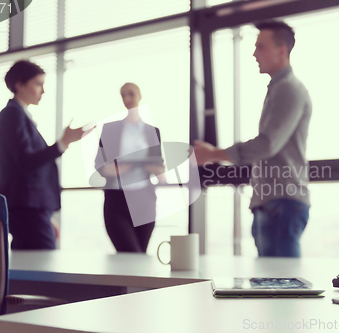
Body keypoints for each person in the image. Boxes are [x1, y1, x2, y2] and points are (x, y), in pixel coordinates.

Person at [194, 20, 312, 257]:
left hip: (281, 203)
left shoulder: (288, 88)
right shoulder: (278, 88)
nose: (254, 53)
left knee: (280, 288)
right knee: (272, 286)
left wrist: (211, 155)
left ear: (281, 51)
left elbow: (267, 144)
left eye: (260, 46)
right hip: (273, 202)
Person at [0, 60, 91, 250]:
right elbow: (26, 162)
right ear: (19, 85)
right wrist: (63, 143)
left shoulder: (19, 115)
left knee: (26, 258)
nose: (43, 91)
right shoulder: (12, 114)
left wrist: (46, 217)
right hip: (26, 206)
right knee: (44, 258)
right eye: (38, 84)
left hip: (30, 207)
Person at [94, 83, 165, 252]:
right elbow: (99, 164)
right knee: (130, 254)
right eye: (123, 95)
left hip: (144, 201)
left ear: (140, 96)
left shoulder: (152, 131)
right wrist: (113, 170)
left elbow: (159, 166)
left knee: (141, 254)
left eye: (131, 94)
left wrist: (156, 171)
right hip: (117, 201)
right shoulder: (110, 129)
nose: (127, 99)